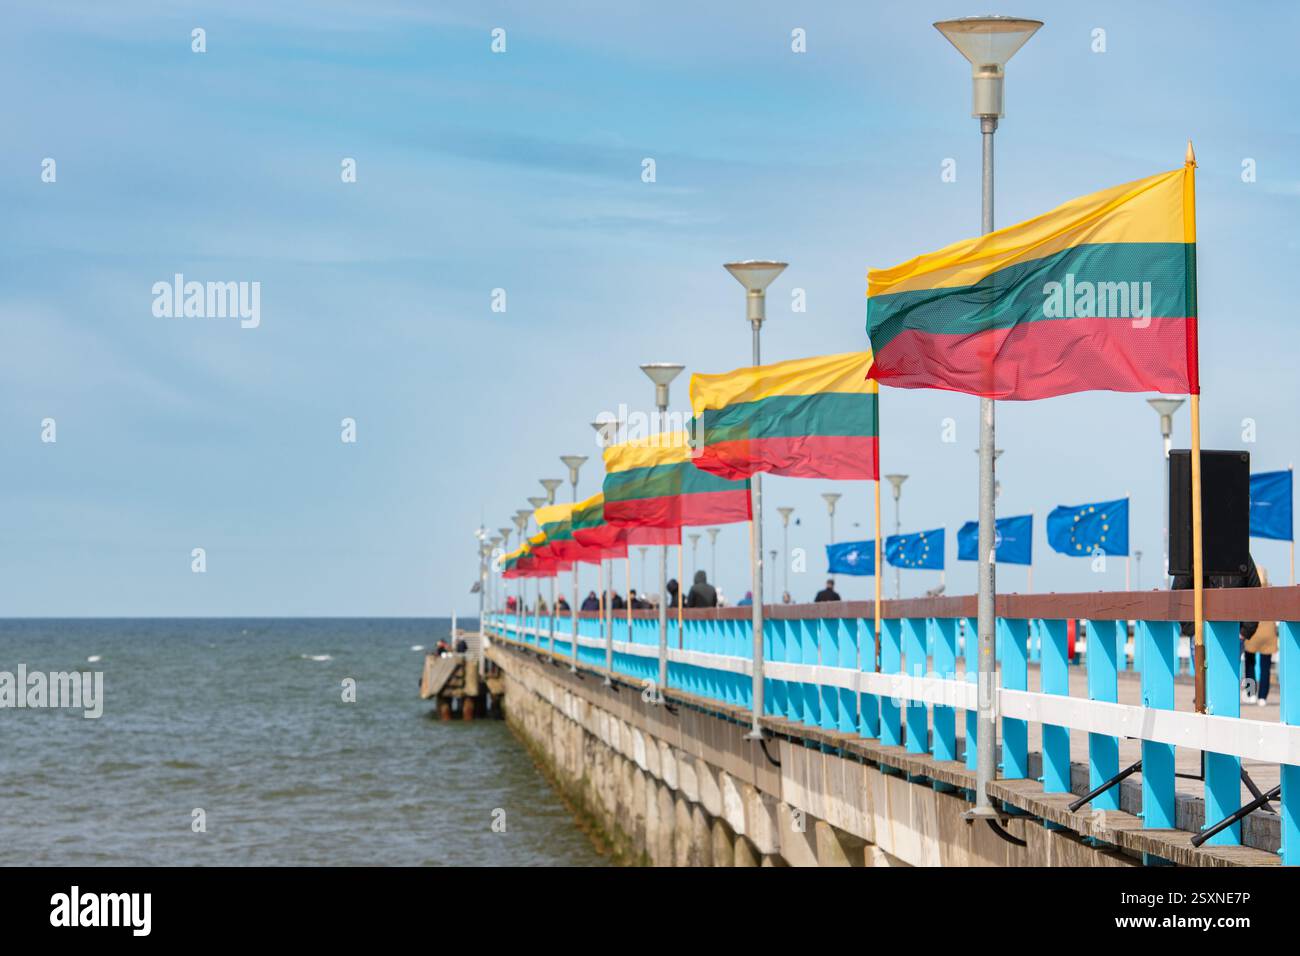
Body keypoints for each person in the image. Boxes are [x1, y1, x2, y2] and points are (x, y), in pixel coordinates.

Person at [1172, 553, 1261, 697]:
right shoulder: (1194, 554)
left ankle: (1221, 712)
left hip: (1234, 634)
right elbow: (1178, 592)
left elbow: (1255, 591)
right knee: (1204, 688)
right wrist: (1192, 629)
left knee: (1226, 686)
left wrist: (1245, 631)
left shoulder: (1240, 552)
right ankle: (1204, 709)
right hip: (1201, 633)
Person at [1244, 568, 1277, 706]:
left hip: (1253, 631)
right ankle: (1262, 697)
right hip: (1268, 633)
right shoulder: (1272, 592)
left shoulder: (1250, 590)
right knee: (1265, 667)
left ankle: (1251, 694)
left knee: (1250, 665)